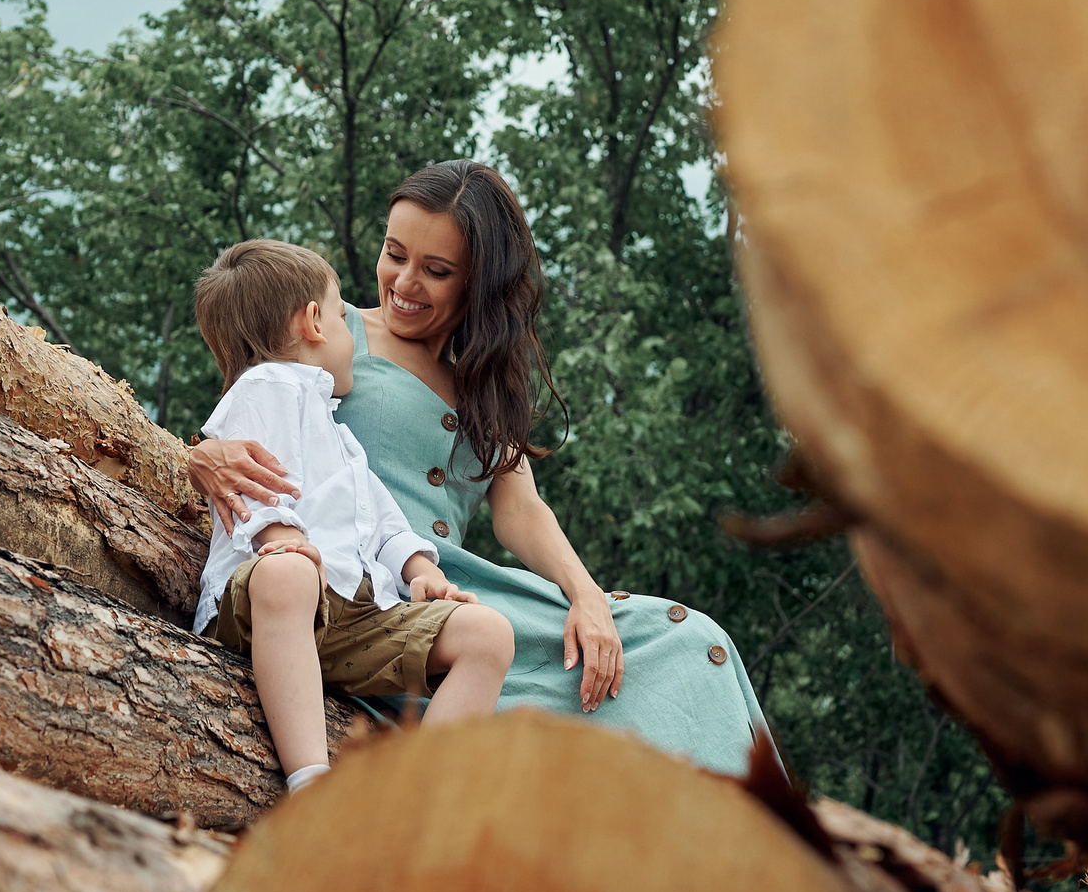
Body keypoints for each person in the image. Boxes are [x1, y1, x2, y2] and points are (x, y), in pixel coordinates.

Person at [189, 164, 769, 776]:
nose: (405, 283)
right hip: (353, 588)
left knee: (684, 641)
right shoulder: (328, 335)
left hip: (448, 590)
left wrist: (588, 596)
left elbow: (520, 510)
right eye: (394, 254)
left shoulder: (485, 383)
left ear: (480, 283)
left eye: (437, 271)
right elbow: (249, 408)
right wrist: (198, 455)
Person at [190, 237, 515, 794]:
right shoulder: (264, 388)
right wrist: (285, 537)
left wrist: (420, 570)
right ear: (314, 322)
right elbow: (257, 490)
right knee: (288, 571)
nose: (352, 334)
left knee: (488, 634)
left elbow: (381, 519)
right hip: (270, 604)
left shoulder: (335, 429)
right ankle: (310, 779)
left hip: (352, 614)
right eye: (344, 316)